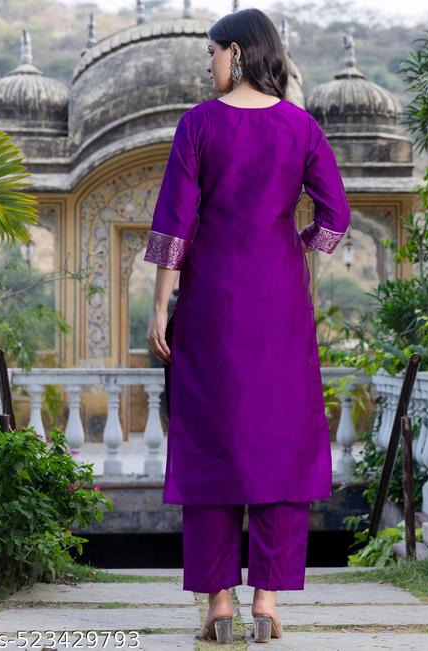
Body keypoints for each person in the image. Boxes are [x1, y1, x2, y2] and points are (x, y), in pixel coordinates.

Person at [144, 7, 351, 644]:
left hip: (211, 304)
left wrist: (159, 305)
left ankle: (218, 605)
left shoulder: (199, 124)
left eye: (211, 52)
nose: (207, 64)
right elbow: (336, 217)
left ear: (235, 52)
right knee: (280, 443)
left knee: (211, 441)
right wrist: (296, 246)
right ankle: (267, 601)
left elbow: (175, 223)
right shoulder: (301, 126)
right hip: (281, 306)